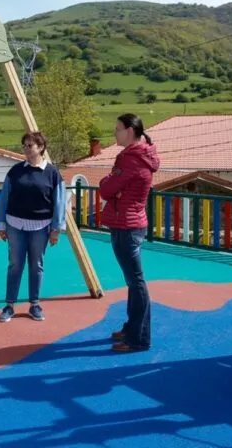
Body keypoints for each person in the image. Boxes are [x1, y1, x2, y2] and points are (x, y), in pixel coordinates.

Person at [98, 113, 160, 353]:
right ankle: (132, 328)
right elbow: (113, 187)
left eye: (118, 129)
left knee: (136, 282)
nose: (115, 133)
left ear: (130, 131)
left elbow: (106, 189)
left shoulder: (130, 160)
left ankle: (138, 338)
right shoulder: (139, 156)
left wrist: (111, 183)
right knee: (133, 282)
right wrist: (113, 185)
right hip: (130, 223)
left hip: (126, 224)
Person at [0, 131, 66, 322]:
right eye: (24, 145)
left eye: (30, 145)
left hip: (41, 227)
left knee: (37, 265)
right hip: (14, 225)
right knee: (15, 265)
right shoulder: (15, 171)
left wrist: (56, 229)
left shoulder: (52, 173)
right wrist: (1, 224)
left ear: (41, 148)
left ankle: (34, 304)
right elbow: (4, 197)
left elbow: (59, 202)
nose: (26, 149)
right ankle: (9, 305)